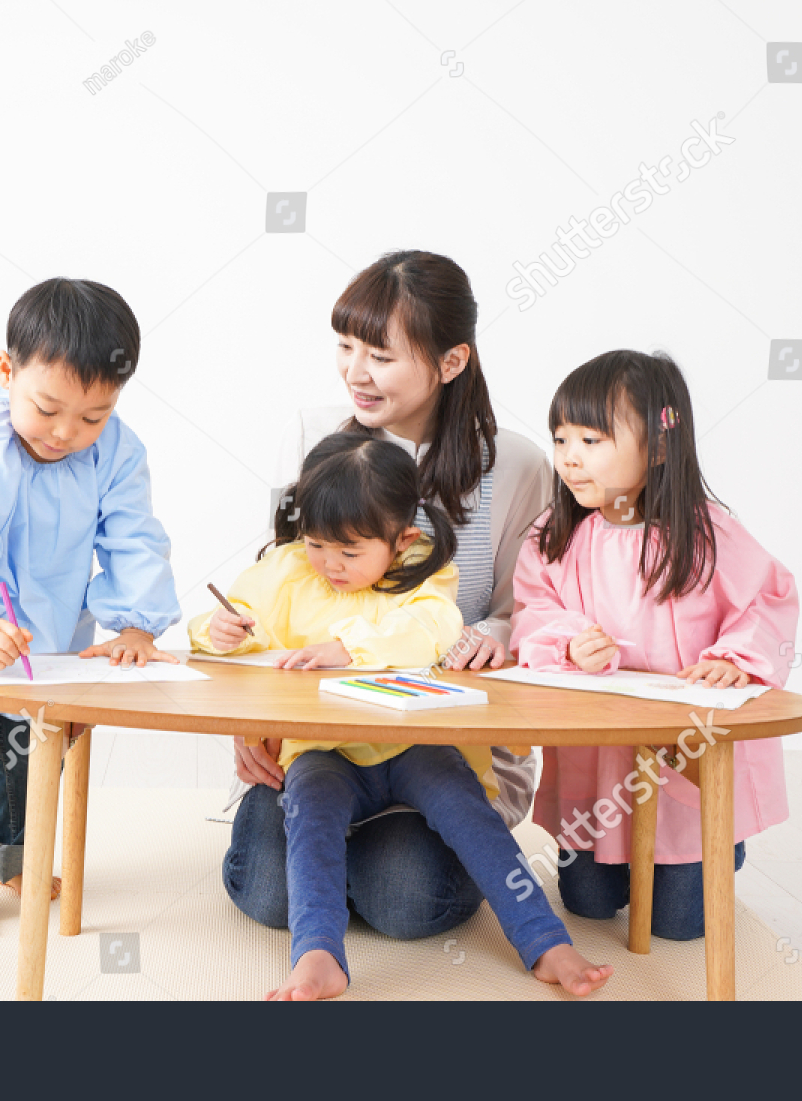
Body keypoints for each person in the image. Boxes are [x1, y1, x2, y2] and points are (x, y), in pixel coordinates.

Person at [190, 432, 612, 999]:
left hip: (415, 749)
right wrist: (216, 632)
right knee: (310, 816)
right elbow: (227, 631)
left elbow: (432, 630)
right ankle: (318, 953)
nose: (330, 565)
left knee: (468, 812)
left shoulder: (424, 569)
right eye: (318, 545)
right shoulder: (288, 569)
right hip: (323, 751)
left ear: (402, 537)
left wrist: (347, 647)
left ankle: (545, 941)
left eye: (351, 551)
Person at [225, 249, 554, 941]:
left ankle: (372, 852)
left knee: (406, 903)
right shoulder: (317, 435)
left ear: (451, 361)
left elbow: (530, 607)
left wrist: (496, 633)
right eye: (345, 346)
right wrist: (247, 719)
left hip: (444, 747)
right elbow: (273, 598)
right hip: (318, 740)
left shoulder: (517, 464)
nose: (354, 371)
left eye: (380, 354)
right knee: (268, 898)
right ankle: (328, 848)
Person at [0, 278, 181, 940]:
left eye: (93, 415)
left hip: (42, 639)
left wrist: (136, 621)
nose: (66, 432)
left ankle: (19, 856)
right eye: (47, 408)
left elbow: (134, 536)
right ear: (6, 371)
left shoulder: (117, 452)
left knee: (32, 750)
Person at [512, 349, 799, 939]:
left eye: (592, 439)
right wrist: (570, 646)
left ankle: (722, 844)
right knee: (588, 904)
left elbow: (768, 600)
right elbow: (533, 612)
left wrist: (733, 660)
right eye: (561, 438)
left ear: (660, 445)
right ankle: (607, 856)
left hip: (681, 756)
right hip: (599, 764)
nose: (569, 457)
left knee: (679, 926)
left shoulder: (706, 533)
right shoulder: (554, 537)